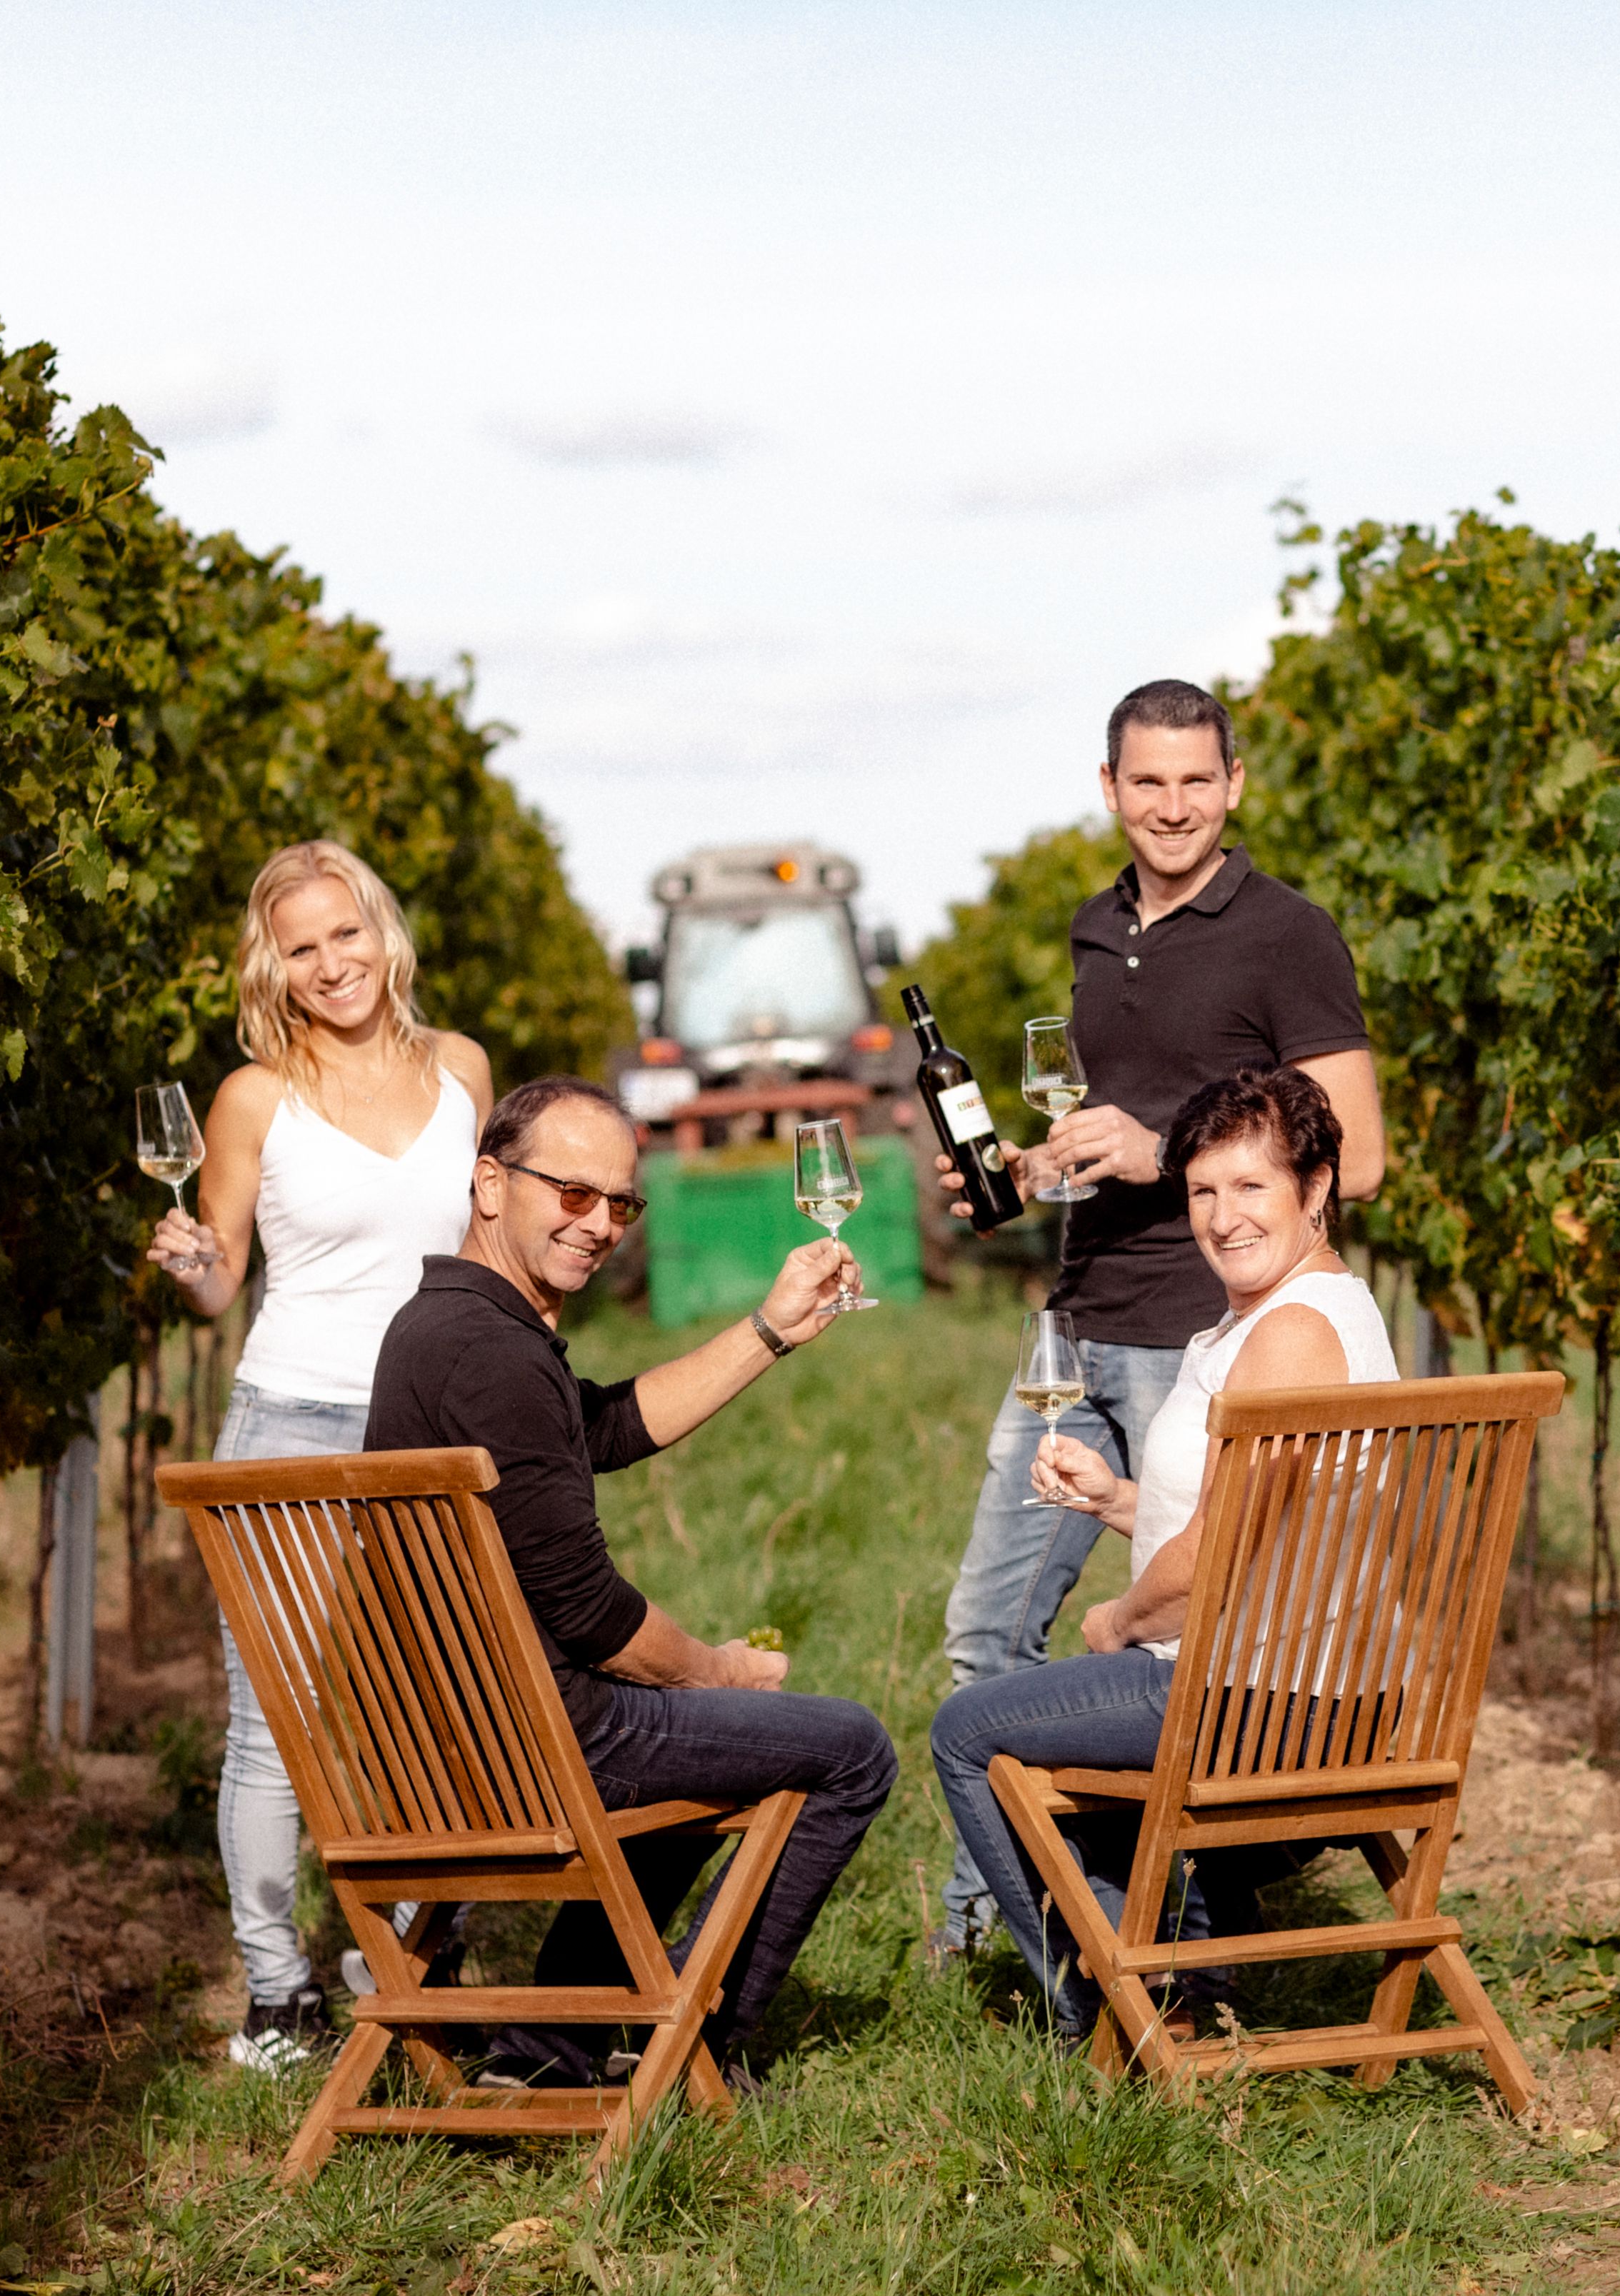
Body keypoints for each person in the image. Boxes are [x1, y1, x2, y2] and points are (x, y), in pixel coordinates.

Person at [928, 678, 1388, 1960]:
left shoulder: (1289, 933)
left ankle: (1132, 1934)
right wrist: (1037, 1167)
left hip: (1209, 1341)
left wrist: (1160, 1148)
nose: (1173, 805)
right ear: (1110, 790)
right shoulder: (1094, 929)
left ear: (1234, 785)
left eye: (1197, 780)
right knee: (987, 1629)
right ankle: (994, 1922)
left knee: (1162, 1631)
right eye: (1149, 782)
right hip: (1081, 1324)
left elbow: (1364, 1152)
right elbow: (1119, 1125)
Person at [366, 1075, 897, 2088]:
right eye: (572, 1192)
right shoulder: (495, 1356)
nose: (600, 1222)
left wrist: (770, 1330)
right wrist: (717, 1672)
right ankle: (691, 2033)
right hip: (538, 1744)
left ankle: (548, 2050)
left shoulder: (442, 1326)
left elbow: (600, 1424)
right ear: (489, 1183)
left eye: (621, 1202)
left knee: (697, 1743)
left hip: (451, 1733)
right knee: (852, 1750)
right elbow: (590, 1612)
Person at [930, 1066, 1391, 2040]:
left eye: (1251, 1187)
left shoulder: (1293, 1335)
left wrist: (1121, 1620)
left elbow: (1222, 1552)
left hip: (1265, 1705)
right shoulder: (1288, 1315)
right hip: (1290, 1683)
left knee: (969, 1730)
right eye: (1203, 1191)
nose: (1223, 1217)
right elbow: (1268, 1535)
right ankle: (1167, 1985)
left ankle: (1104, 2009)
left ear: (1316, 1191)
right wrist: (1118, 1501)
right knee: (1065, 1723)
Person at [149, 840, 494, 2075]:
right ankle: (276, 1994)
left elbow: (486, 1257)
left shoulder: (461, 1069)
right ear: (276, 968)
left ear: (381, 932)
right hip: (291, 1421)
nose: (331, 963)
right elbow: (222, 1279)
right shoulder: (255, 1095)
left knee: (448, 1705)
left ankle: (402, 1956)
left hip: (431, 1426)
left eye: (345, 933)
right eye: (302, 947)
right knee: (275, 1726)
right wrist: (193, 1266)